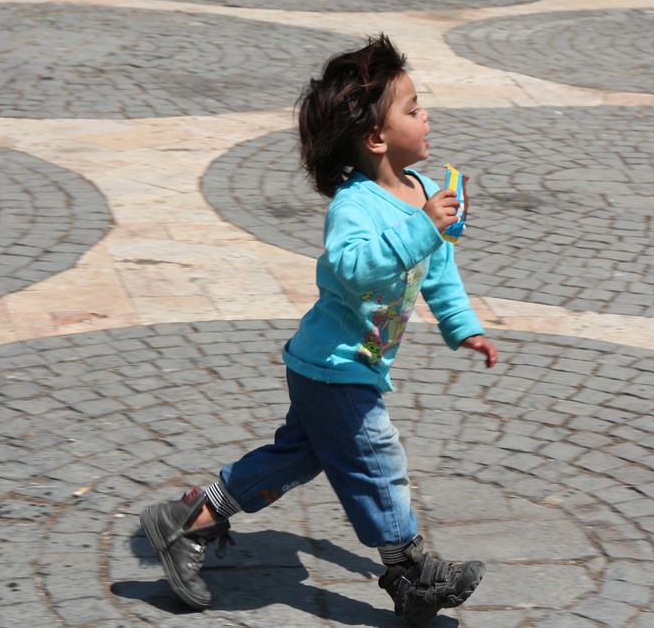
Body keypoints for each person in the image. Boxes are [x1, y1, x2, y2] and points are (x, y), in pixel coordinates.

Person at [138, 33, 498, 626]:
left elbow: (440, 273)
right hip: (336, 364)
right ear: (376, 137)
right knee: (376, 457)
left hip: (339, 363)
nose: (426, 116)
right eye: (413, 109)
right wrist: (423, 228)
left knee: (294, 460)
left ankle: (186, 519)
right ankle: (410, 572)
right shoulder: (354, 207)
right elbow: (355, 270)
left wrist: (464, 327)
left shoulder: (427, 193)